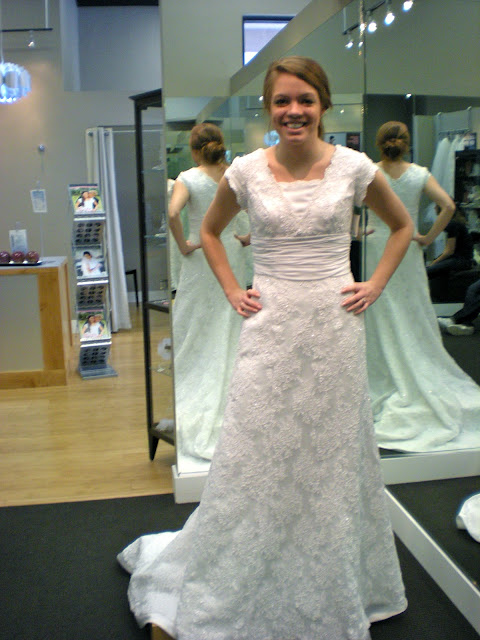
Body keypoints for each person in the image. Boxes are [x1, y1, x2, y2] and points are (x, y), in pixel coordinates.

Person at [118, 56, 413, 639]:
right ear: (269, 108)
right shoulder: (247, 171)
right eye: (282, 101)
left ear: (323, 104)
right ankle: (244, 570)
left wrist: (375, 283)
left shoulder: (354, 167)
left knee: (331, 452)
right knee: (257, 446)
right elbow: (208, 231)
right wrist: (233, 288)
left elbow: (402, 225)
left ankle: (329, 576)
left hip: (333, 327)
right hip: (270, 323)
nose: (293, 111)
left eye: (305, 100)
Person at [364, 121, 480, 452]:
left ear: (379, 142)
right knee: (410, 308)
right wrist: (428, 238)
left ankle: (383, 371)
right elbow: (449, 206)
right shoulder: (418, 174)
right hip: (408, 247)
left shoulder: (370, 172)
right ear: (406, 143)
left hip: (377, 246)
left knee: (380, 308)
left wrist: (357, 231)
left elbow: (348, 206)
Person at [167, 122, 248, 460]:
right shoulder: (235, 176)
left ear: (193, 149)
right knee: (230, 321)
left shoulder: (188, 178)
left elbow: (173, 212)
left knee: (197, 321)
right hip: (231, 252)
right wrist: (248, 237)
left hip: (202, 254)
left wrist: (183, 245)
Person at [426, 205, 474, 290]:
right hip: (464, 260)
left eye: (436, 206)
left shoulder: (452, 225)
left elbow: (449, 251)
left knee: (427, 271)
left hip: (461, 261)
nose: (434, 208)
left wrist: (433, 263)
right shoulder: (454, 223)